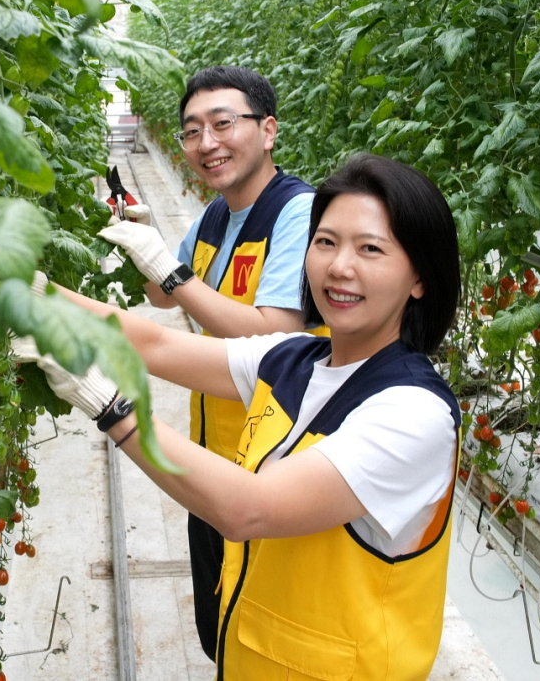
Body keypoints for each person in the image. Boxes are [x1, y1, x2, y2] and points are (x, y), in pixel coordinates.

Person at [26, 154, 461, 679]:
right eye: (325, 242)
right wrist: (34, 294)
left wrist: (113, 408)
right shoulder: (293, 358)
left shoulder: (413, 412)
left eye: (370, 249)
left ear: (419, 277)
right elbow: (156, 343)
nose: (340, 266)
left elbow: (248, 509)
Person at [100, 66, 320, 657]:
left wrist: (168, 269)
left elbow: (275, 337)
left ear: (267, 130)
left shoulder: (296, 213)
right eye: (192, 131)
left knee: (263, 635)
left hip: (275, 473)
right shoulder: (215, 214)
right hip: (212, 461)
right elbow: (162, 295)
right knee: (216, 629)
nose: (206, 143)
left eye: (223, 124)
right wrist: (141, 239)